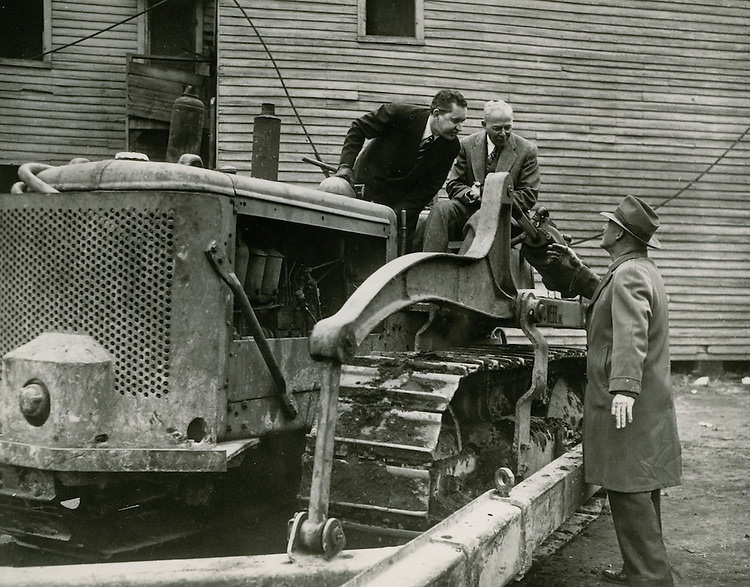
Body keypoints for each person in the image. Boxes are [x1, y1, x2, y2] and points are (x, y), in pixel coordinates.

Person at [548, 195, 682, 586]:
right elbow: (607, 298)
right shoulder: (635, 269)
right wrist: (575, 268)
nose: (603, 227)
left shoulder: (629, 275)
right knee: (637, 487)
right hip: (643, 401)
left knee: (630, 490)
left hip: (627, 401)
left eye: (609, 223)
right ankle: (639, 570)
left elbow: (631, 333)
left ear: (620, 234)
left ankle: (652, 579)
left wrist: (624, 388)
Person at [334, 89, 467, 252]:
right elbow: (358, 128)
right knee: (353, 250)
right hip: (367, 195)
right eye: (455, 121)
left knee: (396, 260)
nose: (460, 128)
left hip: (403, 211)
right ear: (437, 114)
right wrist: (345, 166)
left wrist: (399, 213)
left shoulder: (451, 147)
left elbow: (430, 187)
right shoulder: (400, 115)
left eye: (463, 121)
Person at [422, 99, 539, 252]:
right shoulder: (467, 145)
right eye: (497, 128)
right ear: (484, 125)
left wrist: (487, 194)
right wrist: (470, 194)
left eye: (508, 127)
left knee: (480, 219)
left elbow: (528, 196)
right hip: (470, 208)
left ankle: (464, 267)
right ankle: (430, 266)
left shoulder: (527, 150)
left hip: (508, 216)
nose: (503, 134)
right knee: (441, 210)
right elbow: (453, 184)